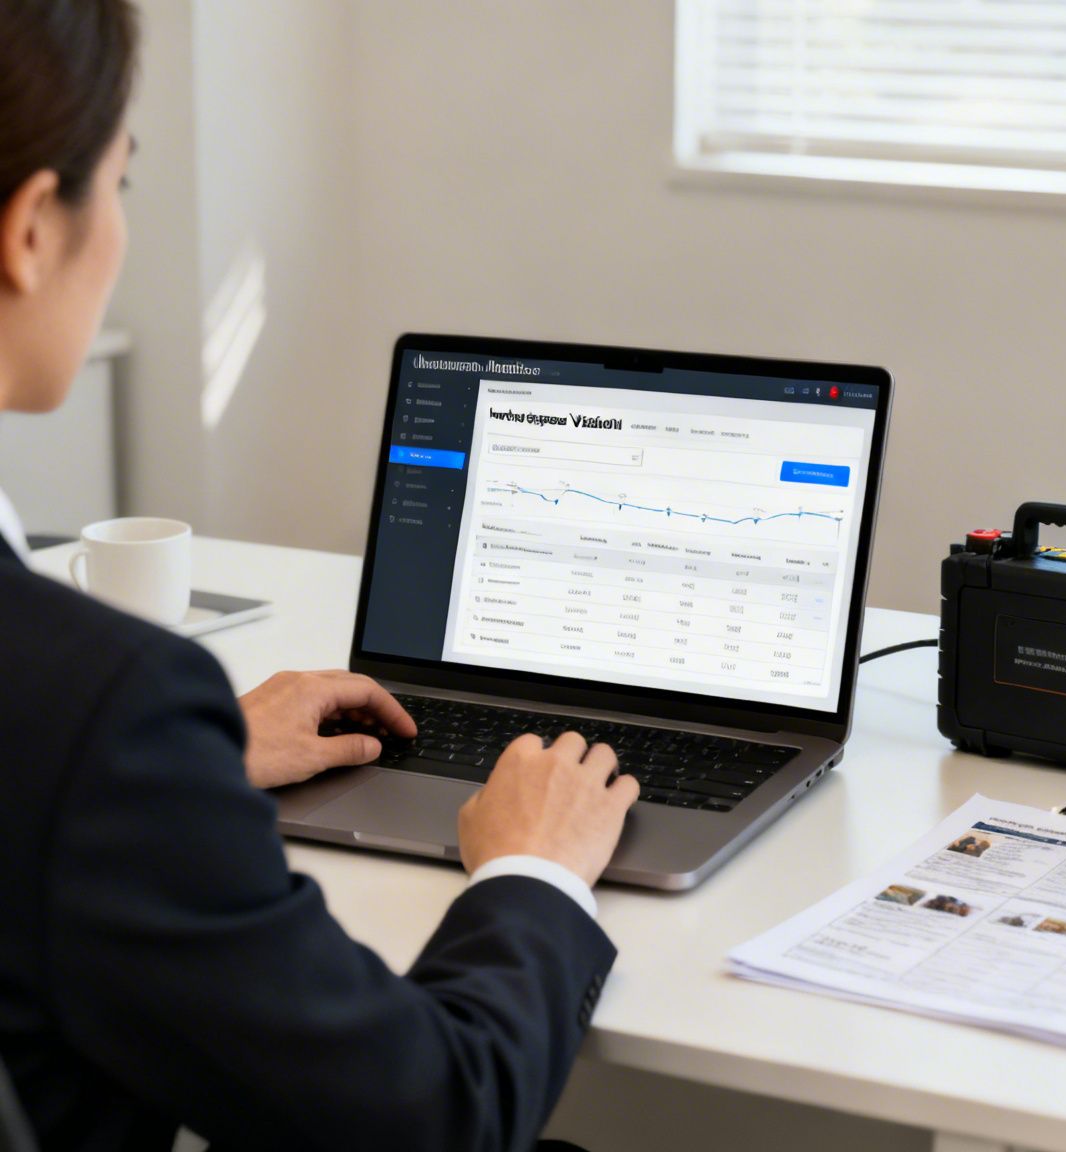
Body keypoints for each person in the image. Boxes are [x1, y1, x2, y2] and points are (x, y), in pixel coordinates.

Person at [0, 3, 639, 1148]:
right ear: (34, 229)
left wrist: (189, 771)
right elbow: (437, 1115)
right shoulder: (93, 706)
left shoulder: (82, 725)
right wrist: (535, 873)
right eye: (124, 185)